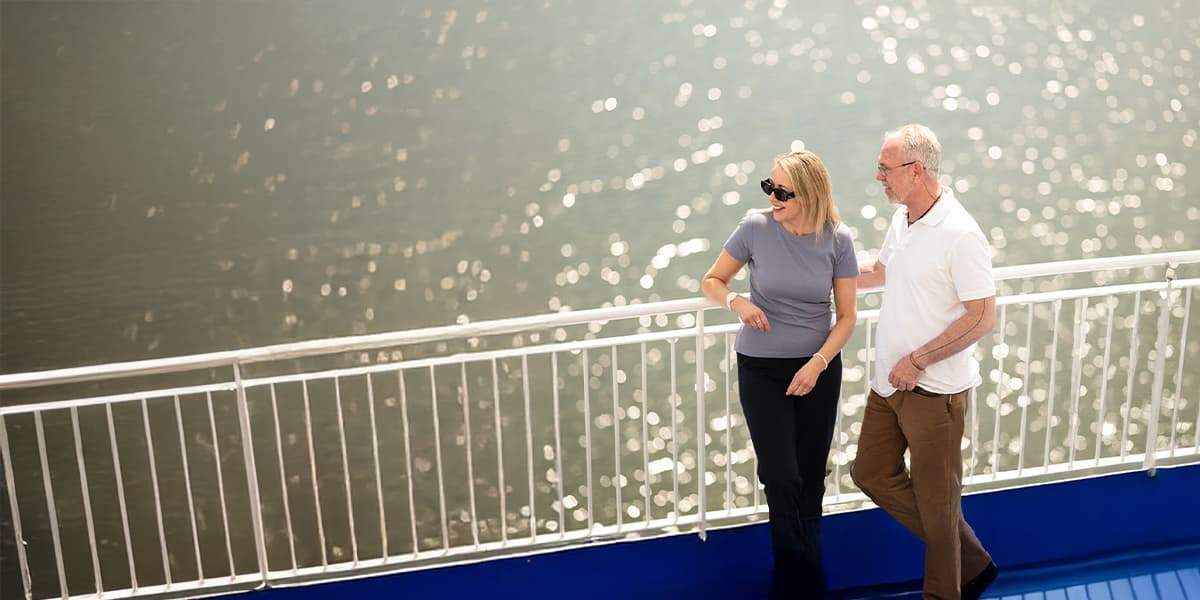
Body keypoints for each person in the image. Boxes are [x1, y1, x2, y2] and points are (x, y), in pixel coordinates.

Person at [851, 124, 999, 600]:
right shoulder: (905, 219)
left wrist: (918, 360)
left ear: (916, 171)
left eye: (885, 168)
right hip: (888, 385)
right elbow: (880, 272)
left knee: (938, 510)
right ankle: (971, 560)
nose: (879, 177)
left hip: (935, 392)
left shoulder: (961, 235)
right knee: (869, 473)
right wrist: (815, 269)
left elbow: (982, 317)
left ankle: (946, 590)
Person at [702, 150, 858, 597]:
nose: (772, 196)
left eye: (782, 191)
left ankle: (805, 582)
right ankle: (799, 584)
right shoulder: (754, 228)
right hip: (762, 370)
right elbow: (712, 279)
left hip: (818, 369)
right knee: (781, 476)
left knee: (811, 478)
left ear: (809, 193)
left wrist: (817, 363)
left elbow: (846, 317)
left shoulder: (837, 239)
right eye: (768, 187)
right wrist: (737, 301)